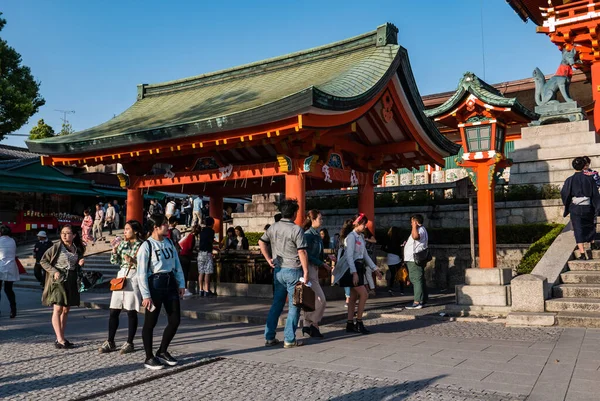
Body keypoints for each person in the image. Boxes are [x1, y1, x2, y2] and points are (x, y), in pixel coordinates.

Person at [137, 214, 185, 370]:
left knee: (175, 319)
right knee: (150, 322)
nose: (167, 226)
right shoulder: (147, 246)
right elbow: (141, 273)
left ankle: (162, 350)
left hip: (170, 282)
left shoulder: (169, 242)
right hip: (155, 284)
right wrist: (146, 295)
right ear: (155, 227)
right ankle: (149, 356)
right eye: (164, 224)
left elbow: (176, 264)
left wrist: (181, 283)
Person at [259, 199, 309, 348]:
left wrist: (269, 259)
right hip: (293, 269)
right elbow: (302, 251)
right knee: (295, 305)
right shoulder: (296, 229)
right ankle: (289, 338)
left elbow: (262, 242)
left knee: (277, 303)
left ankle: (269, 336)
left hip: (278, 270)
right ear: (294, 213)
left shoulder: (273, 227)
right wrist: (306, 271)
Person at [332, 213, 383, 334]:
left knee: (354, 297)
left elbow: (365, 255)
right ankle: (359, 321)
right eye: (364, 224)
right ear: (358, 224)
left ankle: (350, 323)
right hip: (352, 268)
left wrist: (375, 269)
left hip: (359, 266)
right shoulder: (351, 237)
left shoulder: (360, 237)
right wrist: (354, 272)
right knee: (364, 294)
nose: (365, 226)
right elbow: (349, 256)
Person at [99, 220, 144, 355]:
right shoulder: (122, 244)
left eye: (128, 229)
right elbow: (115, 261)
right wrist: (114, 250)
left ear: (135, 231)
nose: (125, 232)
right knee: (114, 310)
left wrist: (134, 261)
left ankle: (130, 342)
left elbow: (146, 264)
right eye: (124, 229)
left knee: (131, 311)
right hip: (121, 276)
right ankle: (110, 341)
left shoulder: (142, 245)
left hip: (133, 276)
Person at [40, 225, 85, 348]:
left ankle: (61, 336)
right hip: (58, 281)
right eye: (62, 233)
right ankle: (60, 340)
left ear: (74, 235)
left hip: (71, 280)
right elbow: (43, 261)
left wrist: (80, 263)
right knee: (58, 309)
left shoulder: (77, 248)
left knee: (66, 310)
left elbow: (77, 264)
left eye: (68, 233)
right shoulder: (56, 247)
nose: (64, 235)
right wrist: (54, 271)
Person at [562, 157, 600, 260]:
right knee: (590, 225)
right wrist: (596, 206)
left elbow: (565, 194)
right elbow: (595, 194)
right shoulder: (589, 179)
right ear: (584, 166)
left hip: (575, 207)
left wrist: (568, 206)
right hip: (588, 206)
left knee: (578, 228)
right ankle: (591, 243)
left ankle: (582, 253)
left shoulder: (569, 180)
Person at [302, 210, 332, 338]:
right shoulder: (308, 235)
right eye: (319, 218)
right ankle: (311, 323)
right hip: (309, 268)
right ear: (312, 219)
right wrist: (321, 263)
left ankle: (309, 326)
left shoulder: (317, 235)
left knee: (313, 300)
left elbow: (317, 253)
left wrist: (326, 257)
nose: (321, 221)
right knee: (321, 299)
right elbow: (306, 254)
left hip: (315, 268)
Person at [404, 214, 429, 309]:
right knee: (420, 279)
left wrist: (414, 226)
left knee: (416, 279)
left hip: (414, 259)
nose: (411, 224)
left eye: (412, 222)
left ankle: (417, 301)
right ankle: (422, 299)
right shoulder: (422, 229)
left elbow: (415, 237)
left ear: (415, 221)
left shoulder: (419, 229)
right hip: (414, 258)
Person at [0, 225, 19, 318]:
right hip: (11, 267)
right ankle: (13, 310)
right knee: (9, 290)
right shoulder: (13, 241)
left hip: (0, 267)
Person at [196, 217, 216, 297]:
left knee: (201, 272)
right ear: (212, 224)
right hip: (207, 253)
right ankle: (207, 290)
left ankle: (201, 290)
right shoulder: (211, 231)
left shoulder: (202, 231)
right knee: (207, 272)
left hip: (200, 253)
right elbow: (210, 241)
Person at [381, 227, 404, 296]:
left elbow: (382, 248)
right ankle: (401, 290)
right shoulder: (399, 238)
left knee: (393, 274)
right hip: (397, 257)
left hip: (390, 257)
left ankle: (390, 288)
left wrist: (390, 251)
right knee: (400, 274)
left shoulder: (387, 238)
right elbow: (400, 249)